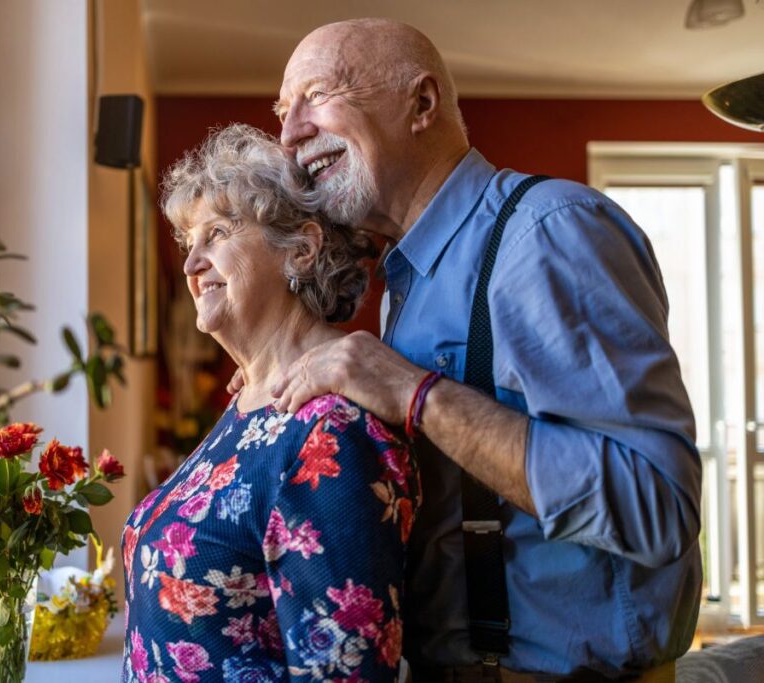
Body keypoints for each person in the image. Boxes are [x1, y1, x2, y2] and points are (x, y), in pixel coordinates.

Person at [264, 17, 701, 682]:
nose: (289, 132)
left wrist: (414, 393)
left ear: (422, 103)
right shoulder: (404, 284)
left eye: (317, 95)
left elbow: (656, 508)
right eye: (282, 110)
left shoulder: (547, 233)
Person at [120, 124, 421, 682]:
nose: (191, 265)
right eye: (190, 244)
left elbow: (343, 672)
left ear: (301, 250)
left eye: (218, 233)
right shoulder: (252, 398)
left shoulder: (332, 428)